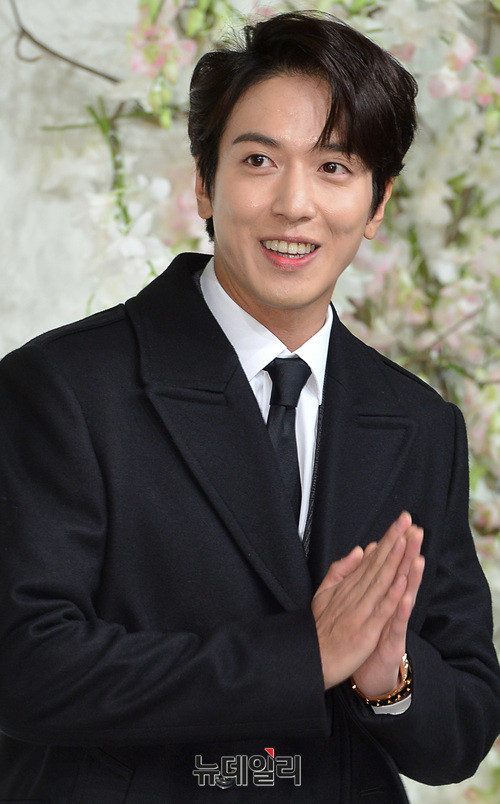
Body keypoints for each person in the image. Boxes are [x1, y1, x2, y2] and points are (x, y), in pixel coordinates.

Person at [0, 10, 498, 802]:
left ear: (378, 204)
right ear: (205, 182)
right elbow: (25, 665)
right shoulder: (62, 388)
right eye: (260, 159)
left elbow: (462, 732)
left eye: (334, 167)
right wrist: (304, 656)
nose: (294, 204)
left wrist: (388, 676)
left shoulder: (420, 424)